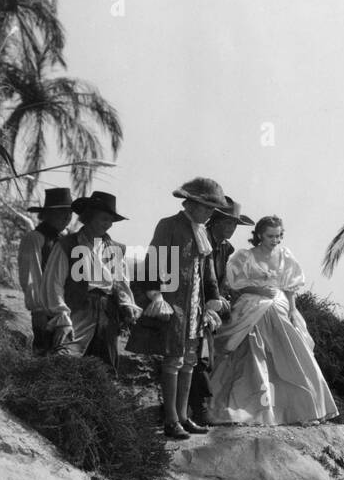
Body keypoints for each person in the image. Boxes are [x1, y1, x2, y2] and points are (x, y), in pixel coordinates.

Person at [207, 215, 338, 426]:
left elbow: (290, 288)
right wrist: (256, 288)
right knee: (252, 350)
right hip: (251, 304)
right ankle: (252, 408)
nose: (275, 240)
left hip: (278, 302)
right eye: (270, 236)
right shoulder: (245, 256)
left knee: (290, 350)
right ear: (259, 234)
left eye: (279, 236)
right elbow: (236, 285)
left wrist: (294, 311)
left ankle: (300, 408)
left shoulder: (285, 255)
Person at [127, 177, 228, 439]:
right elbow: (153, 261)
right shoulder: (170, 226)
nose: (209, 213)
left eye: (211, 209)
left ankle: (183, 416)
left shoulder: (202, 231)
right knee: (173, 359)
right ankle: (171, 419)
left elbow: (207, 271)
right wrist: (155, 295)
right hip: (175, 304)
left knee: (190, 362)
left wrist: (213, 298)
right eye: (206, 207)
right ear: (191, 204)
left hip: (194, 306)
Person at [41, 191, 140, 368]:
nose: (108, 224)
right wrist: (61, 315)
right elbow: (53, 283)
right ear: (89, 217)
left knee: (104, 365)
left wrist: (127, 303)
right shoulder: (67, 244)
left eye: (110, 220)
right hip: (78, 307)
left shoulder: (116, 249)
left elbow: (121, 282)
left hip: (107, 311)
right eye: (104, 219)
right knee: (67, 356)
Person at [189, 197, 255, 423]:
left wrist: (223, 300)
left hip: (213, 310)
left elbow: (223, 281)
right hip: (194, 305)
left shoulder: (227, 249)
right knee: (199, 357)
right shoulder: (200, 239)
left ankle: (197, 407)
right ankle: (198, 409)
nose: (231, 229)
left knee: (209, 357)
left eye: (235, 225)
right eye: (228, 223)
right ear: (214, 221)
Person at [17, 187, 73, 353]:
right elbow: (30, 275)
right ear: (47, 214)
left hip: (65, 309)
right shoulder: (34, 238)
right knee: (44, 353)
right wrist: (38, 309)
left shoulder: (66, 241)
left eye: (69, 213)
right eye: (61, 212)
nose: (67, 217)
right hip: (45, 309)